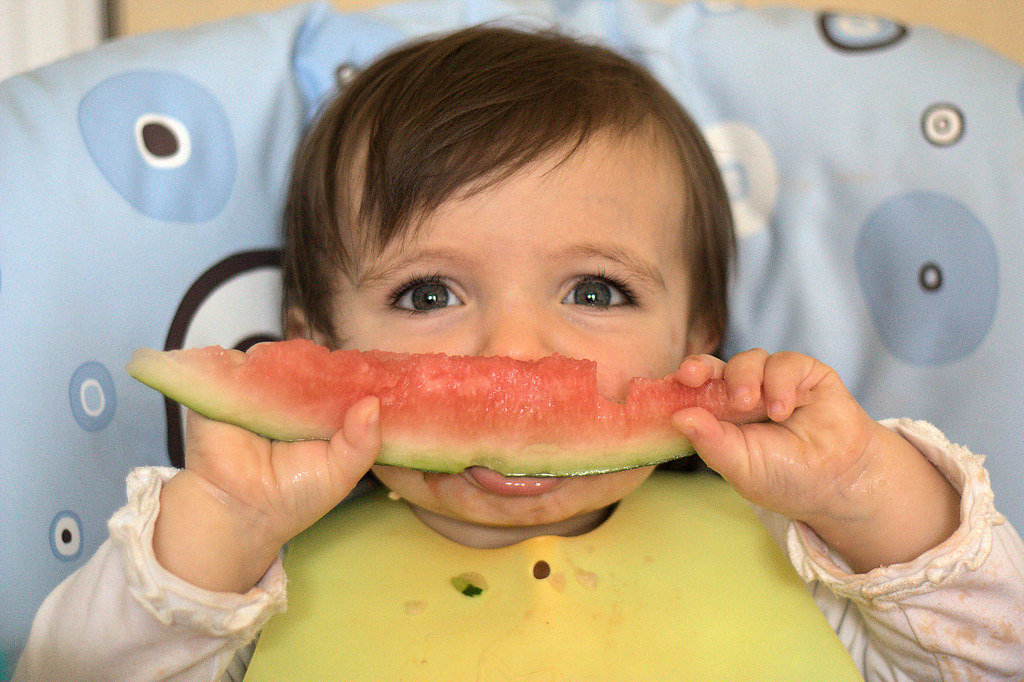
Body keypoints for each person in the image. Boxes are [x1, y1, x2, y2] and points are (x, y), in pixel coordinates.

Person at [16, 25, 1024, 680]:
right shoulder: (240, 591)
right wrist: (216, 532)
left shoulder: (804, 553)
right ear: (311, 347)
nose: (513, 351)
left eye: (595, 289)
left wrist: (864, 492)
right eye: (426, 292)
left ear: (699, 339)